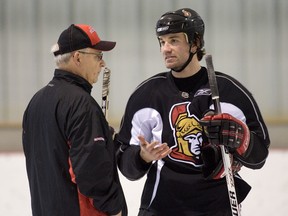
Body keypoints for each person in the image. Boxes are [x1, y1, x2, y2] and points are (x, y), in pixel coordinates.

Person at [115, 8, 270, 216]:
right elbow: (127, 168)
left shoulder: (230, 93)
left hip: (216, 206)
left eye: (174, 40)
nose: (165, 49)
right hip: (162, 206)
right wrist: (142, 156)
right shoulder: (146, 95)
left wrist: (242, 138)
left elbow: (259, 159)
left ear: (195, 43)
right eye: (162, 42)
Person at [22, 24, 127, 216]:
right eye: (98, 56)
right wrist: (114, 208)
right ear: (78, 57)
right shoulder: (81, 104)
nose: (102, 64)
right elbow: (90, 171)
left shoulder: (35, 102)